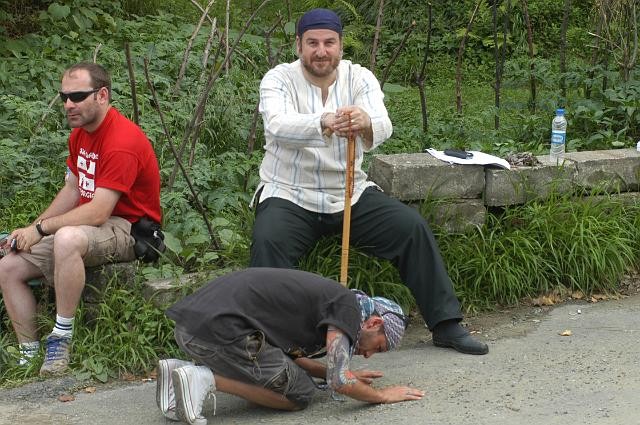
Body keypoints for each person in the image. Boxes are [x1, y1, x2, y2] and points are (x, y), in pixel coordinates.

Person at [250, 8, 488, 356]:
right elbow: (277, 125)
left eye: (329, 42)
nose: (321, 51)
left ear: (341, 46)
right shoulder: (278, 79)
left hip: (350, 192)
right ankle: (268, 342)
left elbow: (384, 124)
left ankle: (446, 324)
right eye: (312, 42)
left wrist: (365, 120)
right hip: (290, 193)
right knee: (267, 241)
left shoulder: (358, 77)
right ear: (298, 45)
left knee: (411, 228)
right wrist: (325, 121)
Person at [0, 62, 162, 376]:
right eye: (64, 97)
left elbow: (100, 211)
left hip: (130, 228)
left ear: (102, 95)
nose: (68, 104)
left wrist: (41, 229)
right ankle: (28, 354)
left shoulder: (122, 140)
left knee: (66, 237)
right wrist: (29, 231)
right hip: (90, 224)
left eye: (77, 96)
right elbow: (74, 189)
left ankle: (61, 339)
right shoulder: (80, 134)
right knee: (8, 266)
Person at [157, 268, 424, 424]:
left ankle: (176, 374)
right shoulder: (349, 309)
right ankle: (204, 378)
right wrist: (382, 396)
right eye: (378, 347)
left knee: (293, 377)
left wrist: (328, 371)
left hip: (192, 330)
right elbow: (340, 380)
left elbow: (289, 358)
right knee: (299, 394)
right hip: (218, 334)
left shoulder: (331, 302)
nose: (367, 355)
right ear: (373, 322)